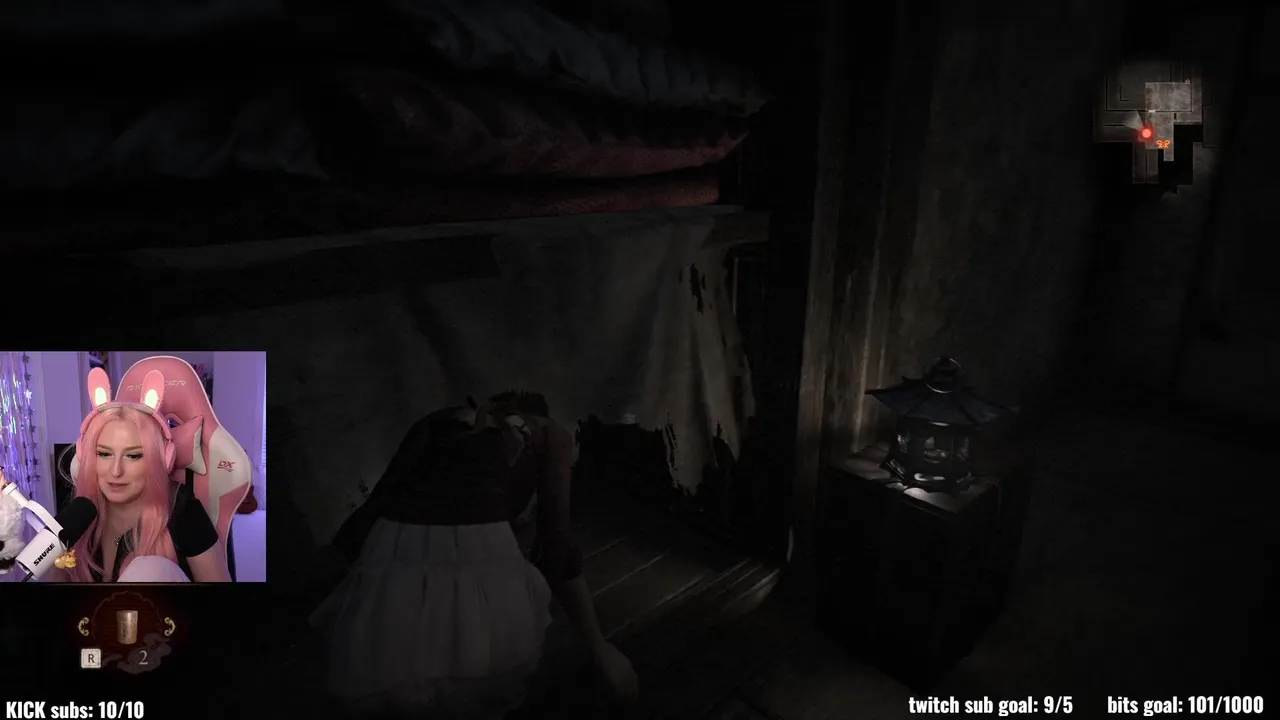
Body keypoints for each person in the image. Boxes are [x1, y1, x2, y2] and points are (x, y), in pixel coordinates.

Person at [311, 391, 640, 719]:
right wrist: (598, 644)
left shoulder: (438, 420)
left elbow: (375, 507)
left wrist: (336, 579)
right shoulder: (551, 433)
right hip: (471, 565)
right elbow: (557, 545)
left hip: (391, 566)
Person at [40, 368, 229, 583]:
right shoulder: (79, 513)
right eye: (104, 454)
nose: (116, 471)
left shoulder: (183, 510)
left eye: (134, 456)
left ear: (162, 460)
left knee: (149, 570)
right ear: (86, 457)